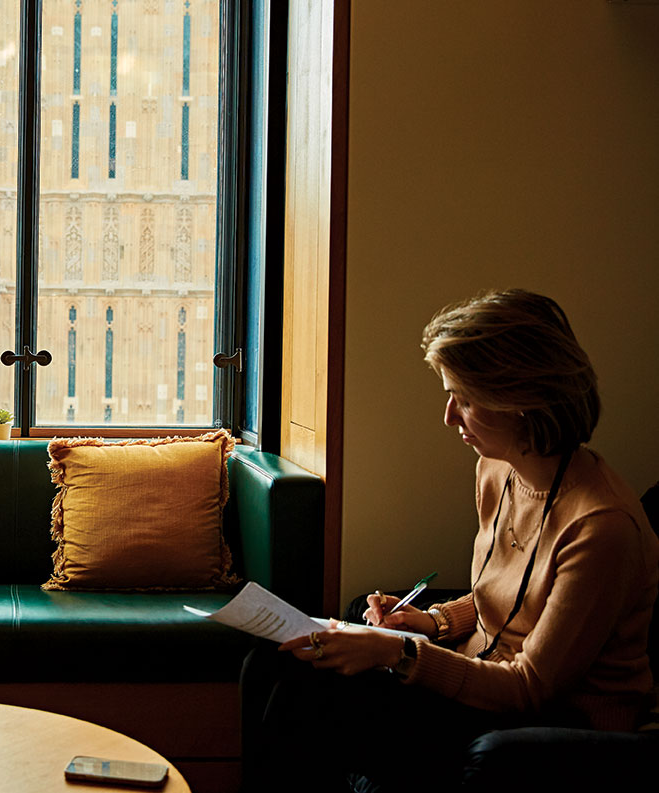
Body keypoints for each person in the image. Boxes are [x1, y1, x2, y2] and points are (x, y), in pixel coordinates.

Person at [246, 289, 658, 791]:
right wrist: (431, 620)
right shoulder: (496, 469)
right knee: (273, 661)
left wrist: (397, 652)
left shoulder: (602, 527)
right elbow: (506, 600)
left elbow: (532, 686)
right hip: (484, 675)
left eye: (464, 399)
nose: (448, 417)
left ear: (521, 400)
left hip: (554, 719)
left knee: (308, 691)